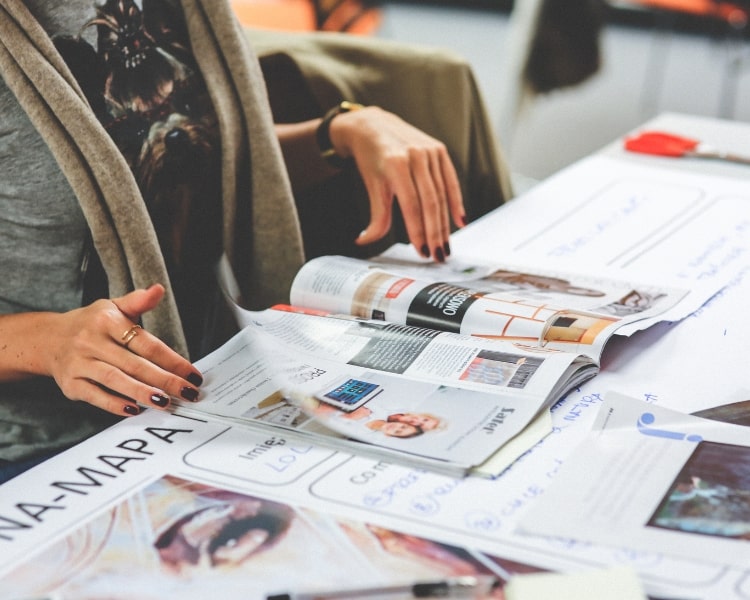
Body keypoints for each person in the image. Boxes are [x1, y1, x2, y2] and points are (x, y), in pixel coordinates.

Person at [0, 0, 507, 480]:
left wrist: (338, 134)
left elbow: (192, 167)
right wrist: (50, 342)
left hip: (213, 384)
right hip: (50, 445)